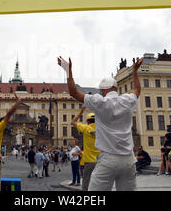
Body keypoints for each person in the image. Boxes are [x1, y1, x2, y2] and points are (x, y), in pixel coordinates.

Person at [58, 56, 143, 191]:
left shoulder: (100, 102)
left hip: (108, 160)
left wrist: (68, 71)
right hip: (128, 159)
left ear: (103, 90)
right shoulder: (128, 100)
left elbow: (74, 92)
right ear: (115, 88)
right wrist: (135, 71)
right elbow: (137, 90)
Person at [72, 107, 101, 191]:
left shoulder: (85, 128)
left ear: (88, 122)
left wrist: (81, 111)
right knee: (98, 183)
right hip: (101, 161)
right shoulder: (101, 129)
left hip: (90, 162)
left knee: (86, 183)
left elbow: (73, 122)